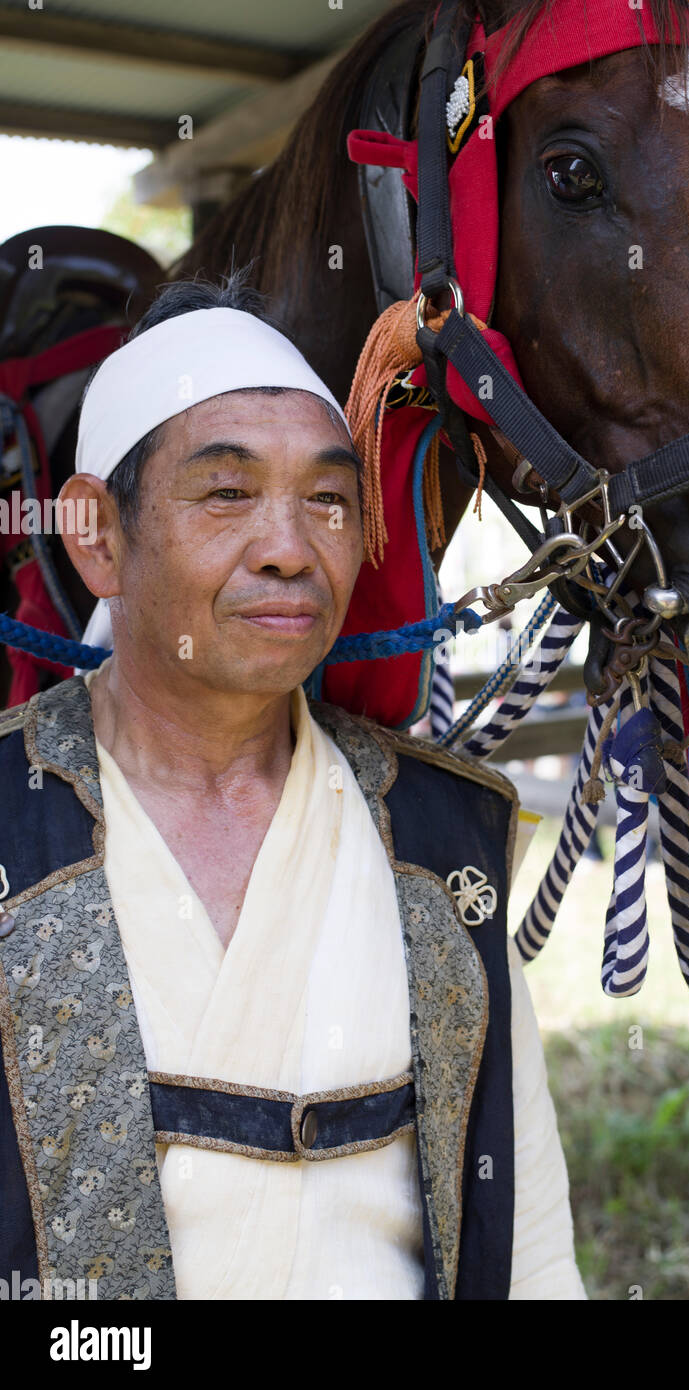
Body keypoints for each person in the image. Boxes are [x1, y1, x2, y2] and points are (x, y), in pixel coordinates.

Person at [0, 273, 586, 1300]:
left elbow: (527, 1233)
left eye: (326, 499)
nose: (289, 549)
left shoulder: (443, 840)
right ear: (97, 534)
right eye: (226, 493)